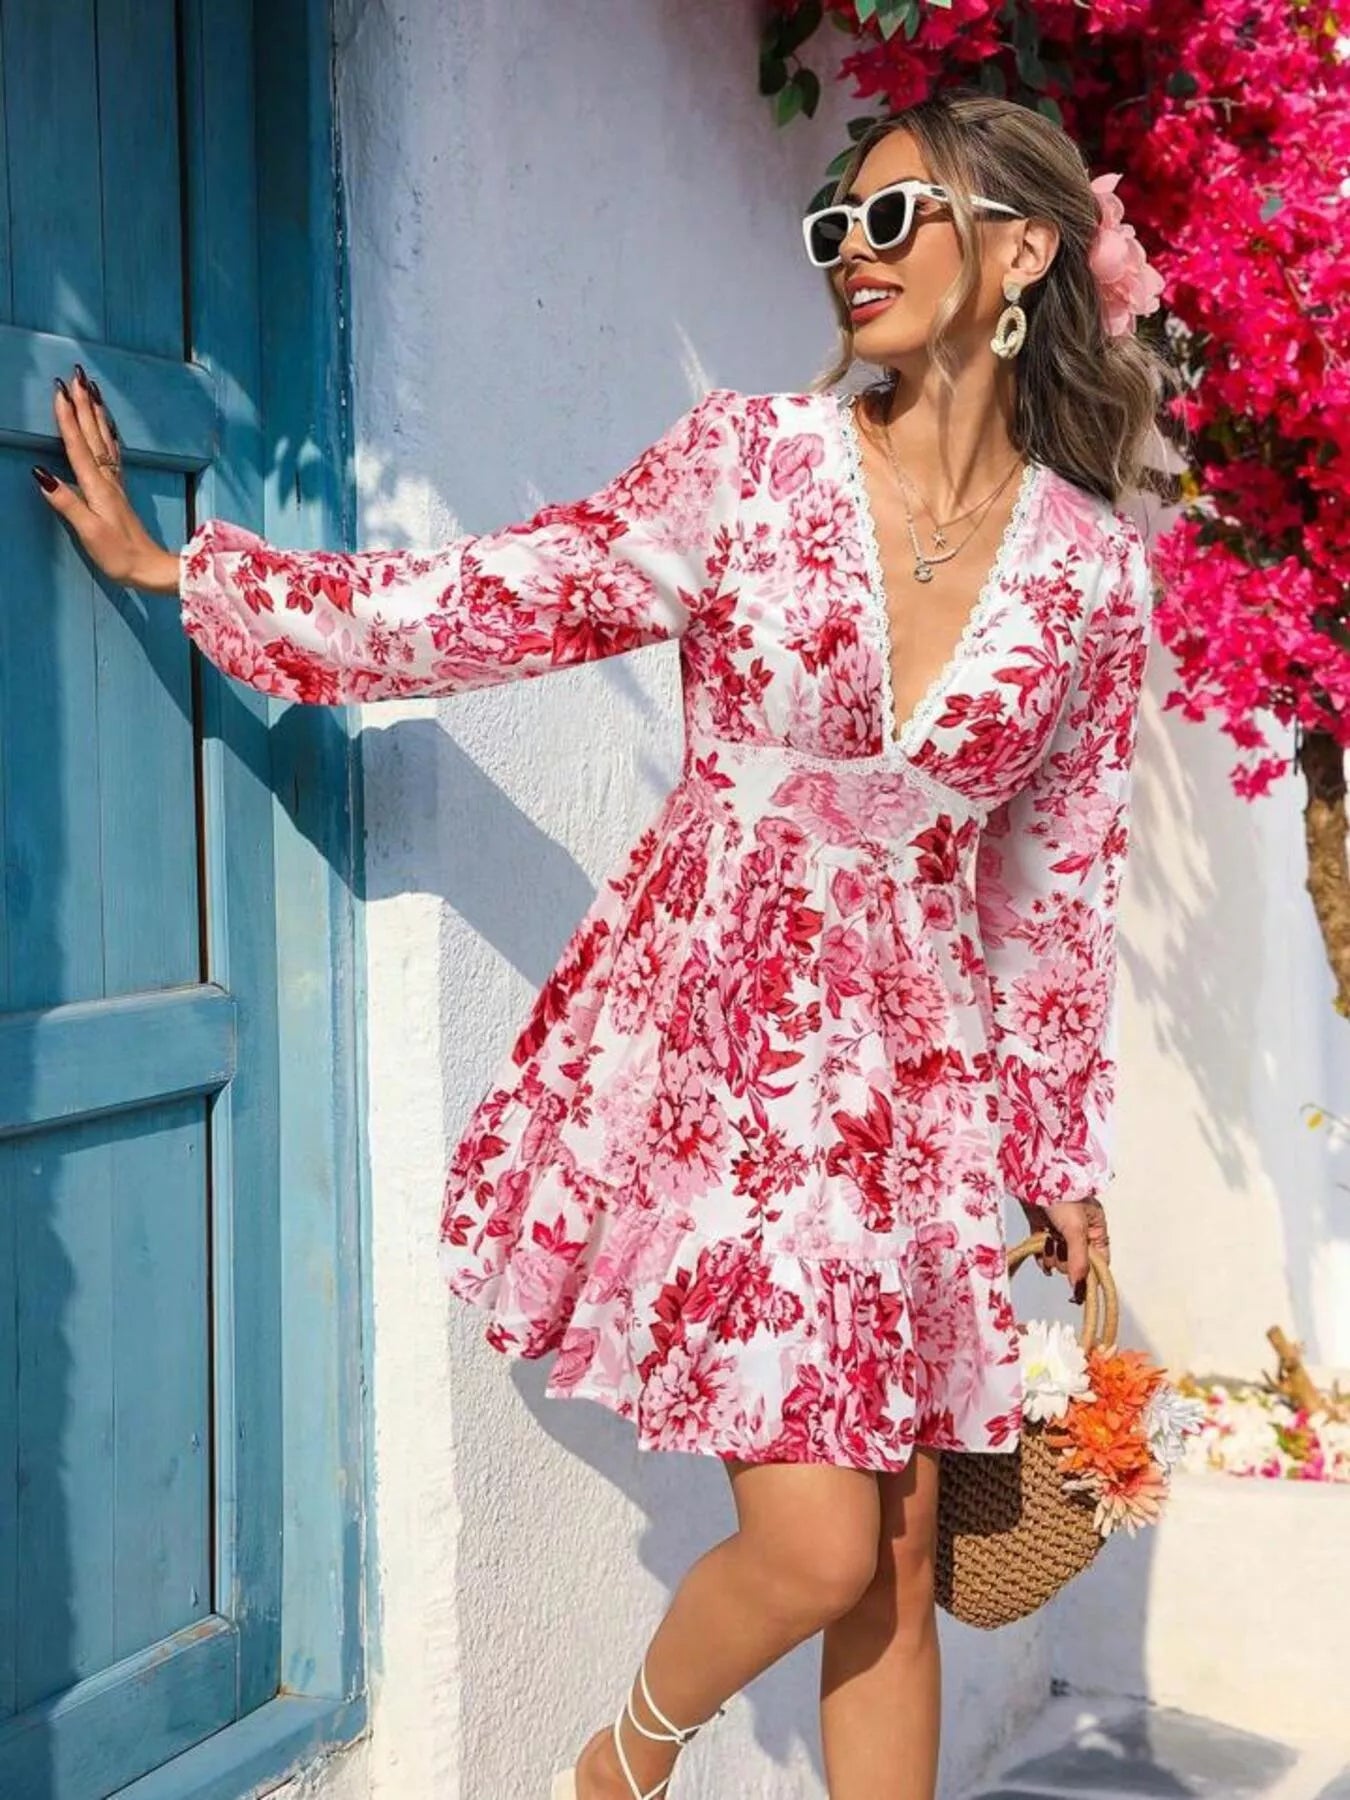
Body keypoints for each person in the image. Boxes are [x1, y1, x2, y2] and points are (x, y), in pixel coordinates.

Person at [34, 87, 1177, 1800]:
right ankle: (614, 1770)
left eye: (890, 221)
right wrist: (196, 574)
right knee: (811, 1547)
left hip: (925, 1080)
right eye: (829, 230)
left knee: (905, 1551)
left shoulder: (1090, 576)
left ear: (1016, 252)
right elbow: (490, 600)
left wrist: (1055, 1155)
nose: (847, 259)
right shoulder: (749, 465)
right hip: (730, 1042)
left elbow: (1051, 887)